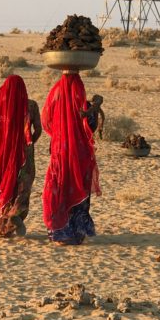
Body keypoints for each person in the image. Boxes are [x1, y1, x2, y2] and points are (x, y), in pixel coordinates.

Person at [41, 69, 100, 245]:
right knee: (78, 187)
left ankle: (59, 233)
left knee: (59, 188)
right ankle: (75, 234)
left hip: (59, 150)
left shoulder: (55, 94)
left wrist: (58, 133)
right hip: (79, 153)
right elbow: (91, 126)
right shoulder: (82, 102)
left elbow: (46, 120)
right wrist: (94, 108)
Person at [0, 74, 41, 237]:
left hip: (4, 156)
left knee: (6, 187)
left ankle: (5, 222)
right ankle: (14, 215)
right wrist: (29, 144)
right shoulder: (32, 106)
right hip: (25, 157)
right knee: (23, 189)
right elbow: (38, 131)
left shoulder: (1, 107)